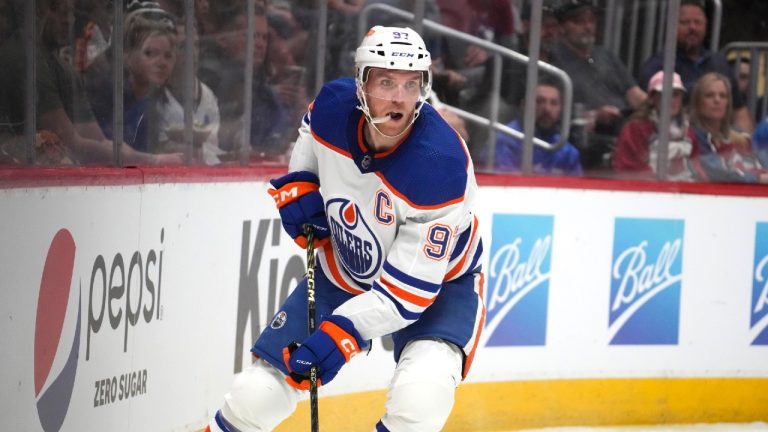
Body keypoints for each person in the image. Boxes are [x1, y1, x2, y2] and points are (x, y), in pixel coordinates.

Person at [206, 26, 484, 432]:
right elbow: (309, 132)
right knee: (256, 394)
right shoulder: (334, 106)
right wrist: (301, 181)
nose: (399, 99)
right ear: (361, 83)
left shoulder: (440, 165)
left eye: (410, 84)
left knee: (421, 399)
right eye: (386, 81)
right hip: (346, 268)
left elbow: (404, 296)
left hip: (440, 286)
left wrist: (344, 331)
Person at [0, 0, 182, 165]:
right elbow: (75, 144)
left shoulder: (63, 69)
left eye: (70, 11)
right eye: (57, 10)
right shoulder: (26, 59)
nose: (67, 19)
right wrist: (154, 161)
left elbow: (99, 140)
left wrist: (155, 158)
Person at [548, 0, 647, 170]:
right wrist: (595, 116)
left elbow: (635, 95)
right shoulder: (553, 60)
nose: (587, 27)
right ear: (562, 27)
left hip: (624, 128)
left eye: (591, 21)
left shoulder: (606, 56)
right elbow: (551, 110)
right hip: (586, 137)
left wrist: (656, 108)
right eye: (579, 21)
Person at [638, 0, 754, 133]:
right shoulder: (658, 66)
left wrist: (747, 143)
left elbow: (739, 111)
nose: (692, 28)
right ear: (671, 26)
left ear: (706, 26)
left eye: (698, 22)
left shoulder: (719, 63)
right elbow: (645, 112)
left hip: (718, 141)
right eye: (685, 22)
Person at [613, 71, 699, 181]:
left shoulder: (689, 131)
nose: (671, 100)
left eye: (675, 95)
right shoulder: (635, 129)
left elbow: (696, 167)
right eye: (665, 94)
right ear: (652, 98)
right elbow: (629, 168)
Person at [688, 72, 768, 183]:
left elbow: (762, 162)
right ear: (698, 102)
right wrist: (757, 179)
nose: (717, 100)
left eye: (723, 96)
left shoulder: (740, 137)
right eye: (709, 95)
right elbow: (714, 171)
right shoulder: (692, 136)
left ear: (728, 103)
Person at [494, 79, 582, 175]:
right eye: (539, 101)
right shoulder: (505, 140)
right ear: (524, 105)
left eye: (554, 103)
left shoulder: (567, 151)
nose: (547, 109)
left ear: (561, 109)